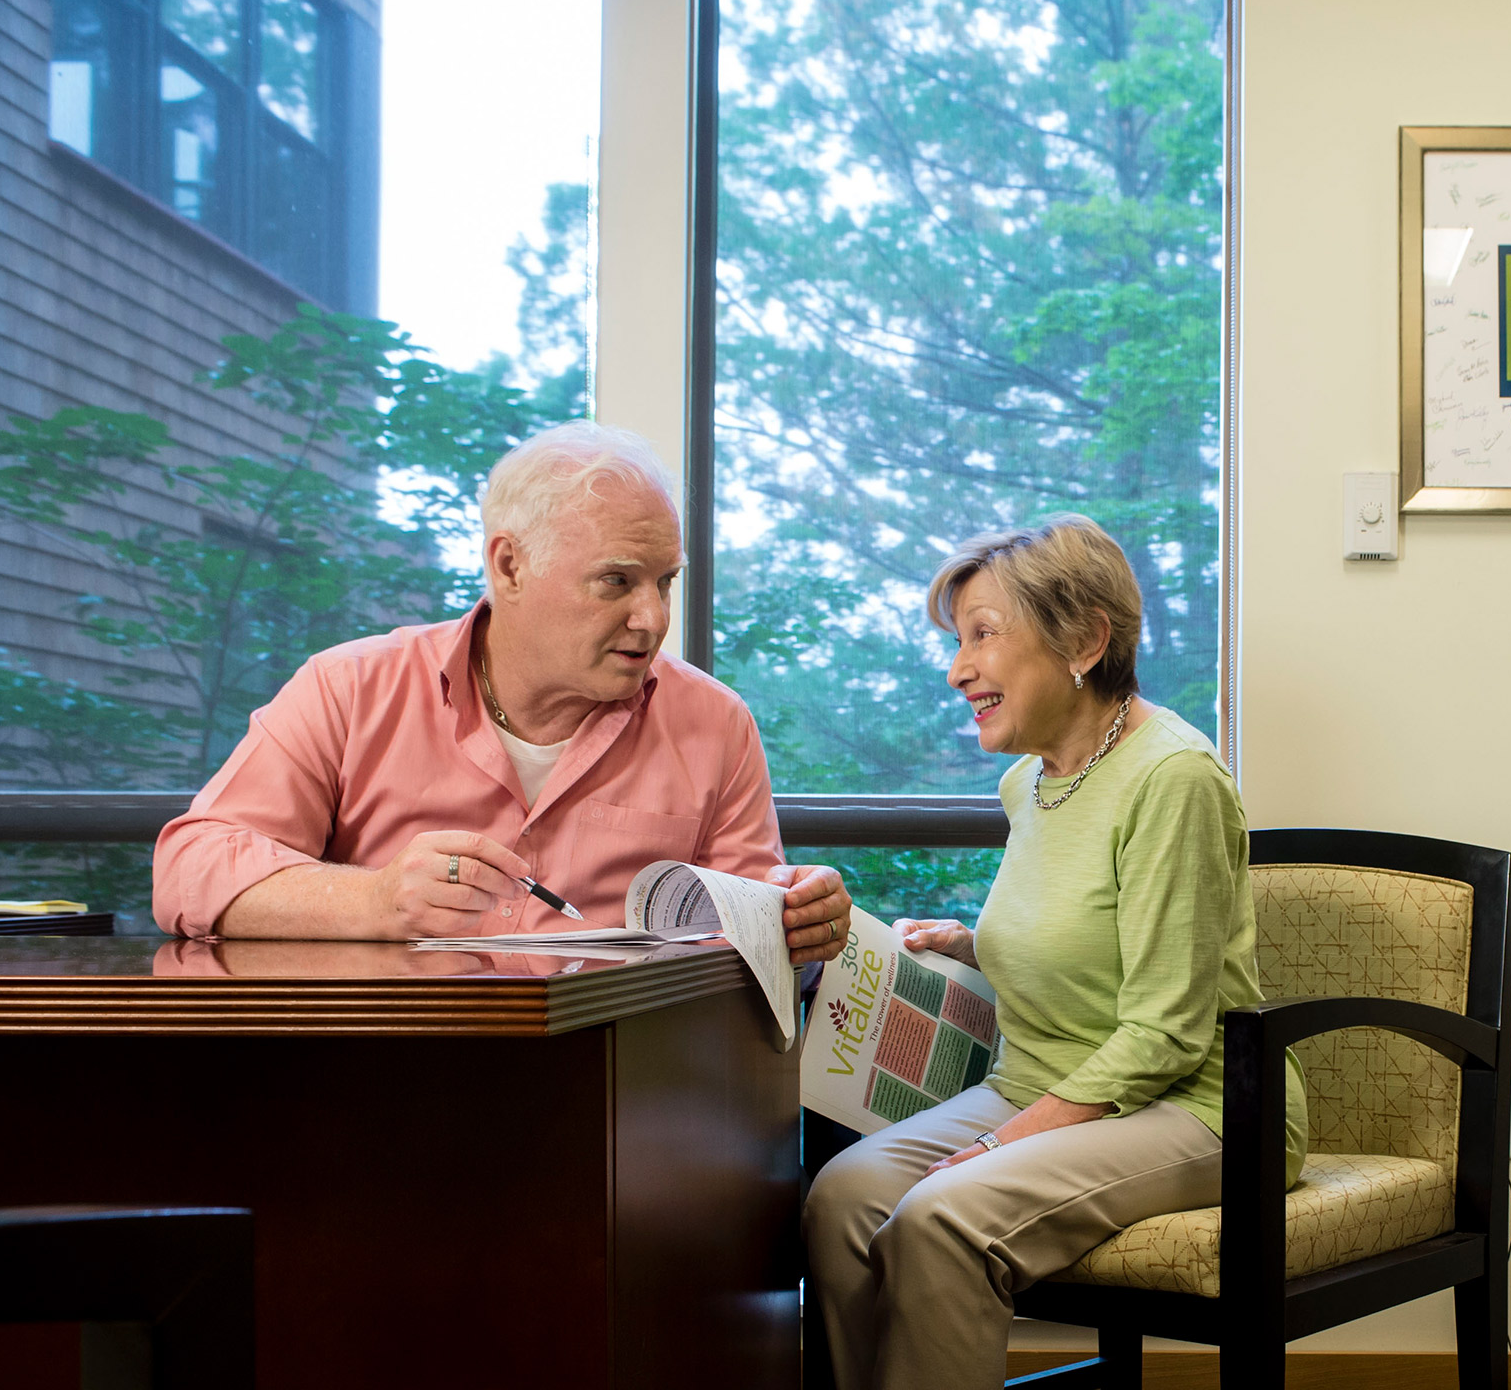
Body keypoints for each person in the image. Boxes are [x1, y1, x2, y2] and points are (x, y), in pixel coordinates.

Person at [803, 514, 1304, 1390]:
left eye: (983, 636)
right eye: (958, 642)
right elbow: (1083, 931)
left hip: (1202, 1109)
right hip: (1040, 1080)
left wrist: (1002, 1146)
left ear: (1083, 638)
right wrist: (968, 944)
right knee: (842, 1199)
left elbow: (1164, 1035)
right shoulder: (1027, 780)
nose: (958, 669)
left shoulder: (1172, 778)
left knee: (943, 1217)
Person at [151, 422, 851, 958]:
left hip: (615, 1094)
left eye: (665, 581)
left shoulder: (715, 723)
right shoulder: (348, 689)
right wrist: (376, 900)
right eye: (618, 581)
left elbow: (752, 954)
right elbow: (191, 867)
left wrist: (796, 930)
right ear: (510, 566)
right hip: (388, 1080)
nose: (655, 618)